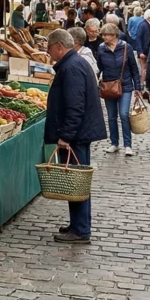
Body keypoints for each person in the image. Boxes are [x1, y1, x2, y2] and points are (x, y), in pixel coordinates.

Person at [45, 29, 106, 244]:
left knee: (76, 181)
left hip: (76, 135)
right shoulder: (75, 64)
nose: (48, 52)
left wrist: (66, 136)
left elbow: (75, 106)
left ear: (59, 46)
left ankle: (81, 229)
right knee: (75, 182)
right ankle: (78, 224)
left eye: (50, 48)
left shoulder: (71, 67)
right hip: (80, 133)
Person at [96, 24, 141, 156]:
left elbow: (134, 68)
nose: (104, 37)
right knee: (111, 117)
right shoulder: (101, 49)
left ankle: (128, 145)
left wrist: (137, 87)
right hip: (109, 86)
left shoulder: (126, 47)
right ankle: (114, 143)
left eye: (106, 35)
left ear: (114, 35)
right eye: (103, 35)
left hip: (125, 85)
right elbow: (99, 67)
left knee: (123, 114)